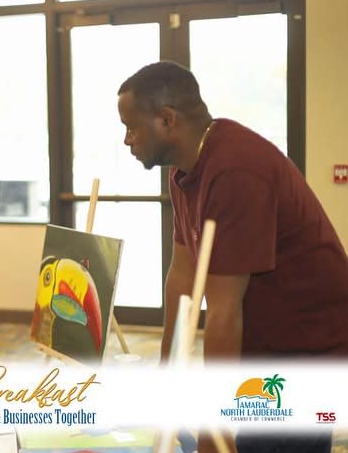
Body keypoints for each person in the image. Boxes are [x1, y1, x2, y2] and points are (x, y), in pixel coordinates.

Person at [117, 61, 348, 453]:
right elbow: (182, 277)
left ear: (167, 120)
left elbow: (224, 310)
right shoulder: (184, 170)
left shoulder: (236, 169)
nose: (127, 140)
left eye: (132, 127)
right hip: (267, 341)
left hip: (310, 347)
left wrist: (215, 429)